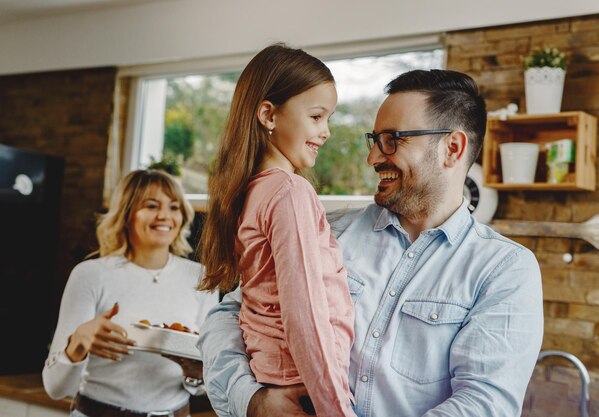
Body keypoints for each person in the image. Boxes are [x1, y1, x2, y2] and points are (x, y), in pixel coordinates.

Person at [197, 69, 544, 417]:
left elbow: (484, 404)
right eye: (374, 139)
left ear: (451, 149)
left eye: (392, 140)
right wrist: (253, 401)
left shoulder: (505, 269)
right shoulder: (325, 230)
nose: (373, 158)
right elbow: (230, 316)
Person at [196, 43, 356, 417]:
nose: (327, 131)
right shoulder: (289, 191)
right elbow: (307, 317)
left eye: (328, 118)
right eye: (317, 116)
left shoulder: (251, 189)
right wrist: (338, 410)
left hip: (274, 376)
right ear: (268, 114)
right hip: (304, 391)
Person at [42, 169, 219, 417]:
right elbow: (55, 388)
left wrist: (196, 374)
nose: (164, 215)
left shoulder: (201, 278)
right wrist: (78, 342)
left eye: (174, 207)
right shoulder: (90, 275)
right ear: (127, 214)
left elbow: (210, 381)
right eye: (151, 205)